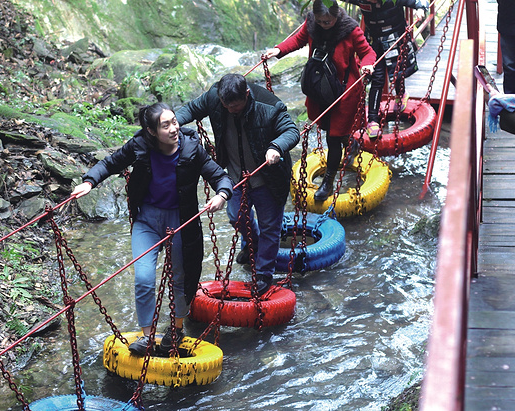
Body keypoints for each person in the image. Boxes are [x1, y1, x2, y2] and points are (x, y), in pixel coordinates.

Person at [71, 102, 232, 355]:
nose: (173, 129)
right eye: (165, 125)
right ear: (151, 131)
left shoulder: (192, 149)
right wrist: (90, 182)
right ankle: (147, 337)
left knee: (180, 278)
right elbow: (111, 163)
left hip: (181, 221)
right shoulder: (139, 147)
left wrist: (222, 194)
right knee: (144, 279)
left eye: (174, 122)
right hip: (146, 221)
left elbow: (219, 176)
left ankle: (176, 330)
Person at [176, 73, 300, 296]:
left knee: (270, 225)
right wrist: (169, 125)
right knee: (236, 216)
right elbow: (191, 109)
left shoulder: (269, 105)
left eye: (236, 105)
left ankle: (263, 273)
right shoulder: (214, 97)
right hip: (234, 176)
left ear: (247, 94)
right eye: (227, 105)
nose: (232, 109)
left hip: (268, 178)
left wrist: (276, 146)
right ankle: (251, 244)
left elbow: (292, 131)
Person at [265, 0, 376, 201]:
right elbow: (298, 40)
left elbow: (367, 52)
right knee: (326, 127)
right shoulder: (311, 23)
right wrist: (278, 50)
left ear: (336, 16)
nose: (325, 24)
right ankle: (350, 143)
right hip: (320, 86)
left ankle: (328, 181)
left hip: (344, 90)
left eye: (329, 21)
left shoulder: (350, 29)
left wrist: (367, 65)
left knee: (333, 138)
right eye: (321, 21)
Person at [344, 0, 429, 137]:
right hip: (373, 42)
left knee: (397, 71)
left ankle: (400, 94)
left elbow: (420, 1)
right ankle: (372, 120)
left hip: (396, 38)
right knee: (377, 79)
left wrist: (421, 9)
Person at [498, 0, 515, 94]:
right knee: (510, 67)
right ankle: (510, 104)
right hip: (508, 22)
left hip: (507, 21)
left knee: (510, 67)